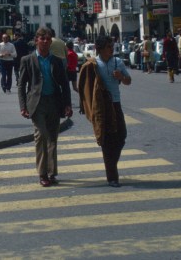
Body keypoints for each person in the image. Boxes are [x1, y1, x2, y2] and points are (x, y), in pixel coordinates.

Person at [17, 27, 73, 187]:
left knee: (53, 138)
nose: (46, 42)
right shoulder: (27, 60)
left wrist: (67, 104)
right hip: (37, 103)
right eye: (43, 39)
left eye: (48, 39)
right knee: (41, 135)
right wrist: (23, 106)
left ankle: (51, 172)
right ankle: (42, 173)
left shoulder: (56, 60)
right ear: (37, 41)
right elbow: (21, 85)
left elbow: (65, 85)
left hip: (54, 102)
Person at [78, 35, 131, 188]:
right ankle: (112, 176)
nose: (111, 49)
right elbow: (85, 85)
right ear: (100, 49)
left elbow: (128, 81)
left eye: (112, 46)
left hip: (115, 104)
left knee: (121, 136)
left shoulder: (117, 62)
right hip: (101, 107)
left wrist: (121, 77)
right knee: (107, 141)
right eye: (108, 47)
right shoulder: (93, 64)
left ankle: (111, 164)